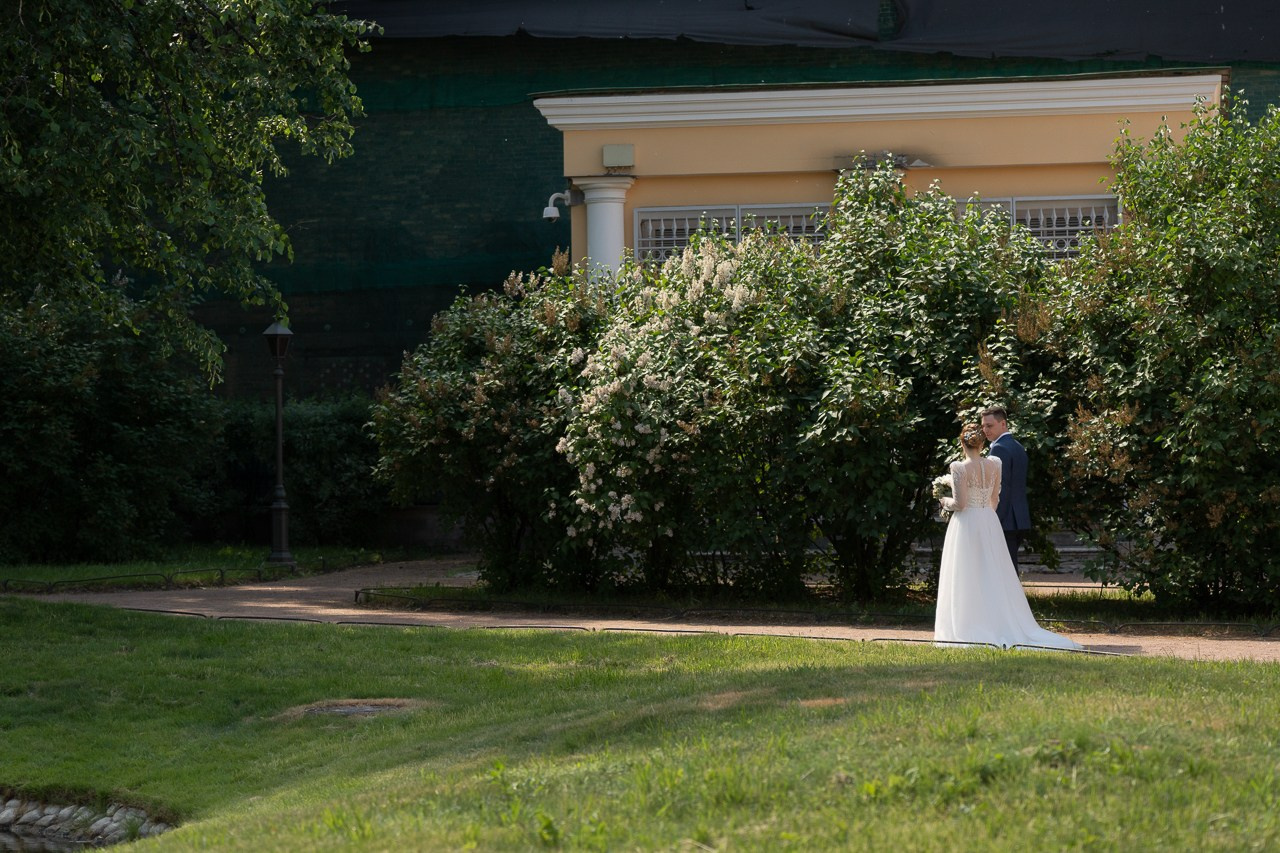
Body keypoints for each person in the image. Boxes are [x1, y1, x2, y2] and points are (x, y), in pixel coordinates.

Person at [933, 423, 1081, 650]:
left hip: (966, 524)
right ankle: (1000, 620)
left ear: (962, 442)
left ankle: (967, 624)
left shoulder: (959, 467)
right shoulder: (994, 464)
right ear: (982, 443)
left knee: (967, 572)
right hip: (988, 521)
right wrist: (985, 515)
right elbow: (995, 500)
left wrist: (944, 502)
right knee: (993, 571)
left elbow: (960, 504)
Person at [981, 406, 1030, 573]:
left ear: (1003, 424)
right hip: (1019, 517)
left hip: (1005, 518)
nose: (985, 430)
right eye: (983, 426)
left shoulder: (998, 448)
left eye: (989, 425)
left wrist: (993, 518)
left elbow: (1002, 488)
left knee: (1004, 571)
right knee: (1008, 568)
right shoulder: (1017, 446)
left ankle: (1011, 600)